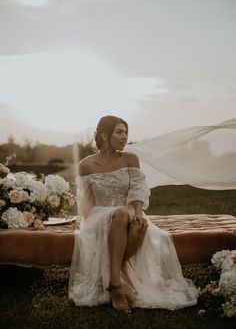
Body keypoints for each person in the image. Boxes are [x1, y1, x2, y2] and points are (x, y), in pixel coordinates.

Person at [68, 115, 198, 312]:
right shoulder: (86, 164)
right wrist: (88, 222)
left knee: (135, 225)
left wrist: (138, 212)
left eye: (126, 132)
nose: (125, 137)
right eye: (119, 132)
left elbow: (137, 189)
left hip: (129, 211)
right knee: (119, 214)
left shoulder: (130, 159)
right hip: (99, 214)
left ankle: (112, 278)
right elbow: (86, 200)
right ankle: (116, 286)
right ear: (104, 135)